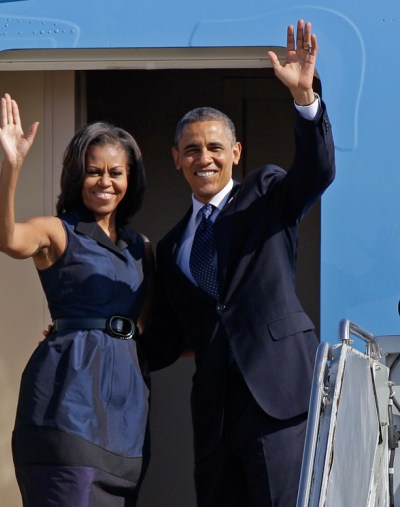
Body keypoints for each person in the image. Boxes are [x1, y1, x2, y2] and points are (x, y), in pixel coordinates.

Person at [139, 20, 335, 506]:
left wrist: (305, 99)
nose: (203, 158)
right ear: (176, 159)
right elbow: (164, 341)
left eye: (214, 148)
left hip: (279, 398)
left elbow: (316, 171)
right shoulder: (170, 248)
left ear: (235, 153)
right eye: (191, 150)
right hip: (216, 413)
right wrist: (96, 337)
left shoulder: (264, 192)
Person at [0, 93, 153, 506]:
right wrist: (12, 167)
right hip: (66, 402)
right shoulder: (56, 232)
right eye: (93, 172)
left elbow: (150, 322)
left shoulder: (142, 247)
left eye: (116, 172)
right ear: (77, 176)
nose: (105, 182)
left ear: (130, 178)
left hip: (126, 414)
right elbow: (3, 239)